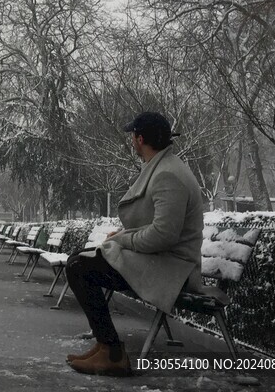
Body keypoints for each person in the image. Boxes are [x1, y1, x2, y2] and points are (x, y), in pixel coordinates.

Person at [65, 112, 204, 377]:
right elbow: (160, 227)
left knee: (80, 267)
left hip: (172, 272)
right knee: (79, 261)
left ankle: (112, 352)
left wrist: (122, 239)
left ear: (140, 139)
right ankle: (105, 345)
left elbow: (164, 235)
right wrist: (125, 235)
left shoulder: (168, 175)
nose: (131, 141)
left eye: (133, 136)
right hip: (164, 263)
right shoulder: (165, 167)